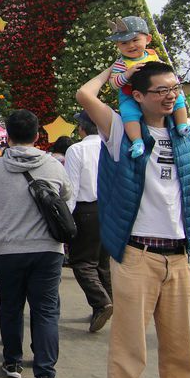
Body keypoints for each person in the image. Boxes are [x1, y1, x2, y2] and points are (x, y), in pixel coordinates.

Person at [76, 60, 190, 378]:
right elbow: (85, 95)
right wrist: (112, 70)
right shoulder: (118, 130)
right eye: (160, 90)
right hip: (137, 254)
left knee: (180, 346)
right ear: (137, 96)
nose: (170, 95)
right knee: (130, 347)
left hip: (182, 256)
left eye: (174, 88)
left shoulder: (184, 133)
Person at [0, 110, 71, 378]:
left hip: (7, 249)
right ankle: (45, 375)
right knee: (45, 310)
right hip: (47, 250)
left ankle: (12, 362)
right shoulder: (54, 166)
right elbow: (65, 196)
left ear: (7, 134)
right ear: (37, 135)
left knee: (10, 306)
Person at [106, 16, 190, 158]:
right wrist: (127, 74)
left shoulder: (153, 55)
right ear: (118, 45)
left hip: (156, 93)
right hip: (129, 95)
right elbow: (113, 83)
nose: (130, 46)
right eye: (124, 43)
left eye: (135, 40)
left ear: (147, 39)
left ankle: (182, 126)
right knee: (129, 113)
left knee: (178, 100)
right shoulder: (120, 64)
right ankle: (137, 142)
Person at [64, 111, 113, 333]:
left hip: (86, 210)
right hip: (110, 209)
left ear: (82, 128)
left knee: (83, 262)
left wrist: (66, 221)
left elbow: (71, 189)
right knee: (103, 262)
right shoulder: (110, 146)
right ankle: (107, 303)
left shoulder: (77, 149)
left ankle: (101, 303)